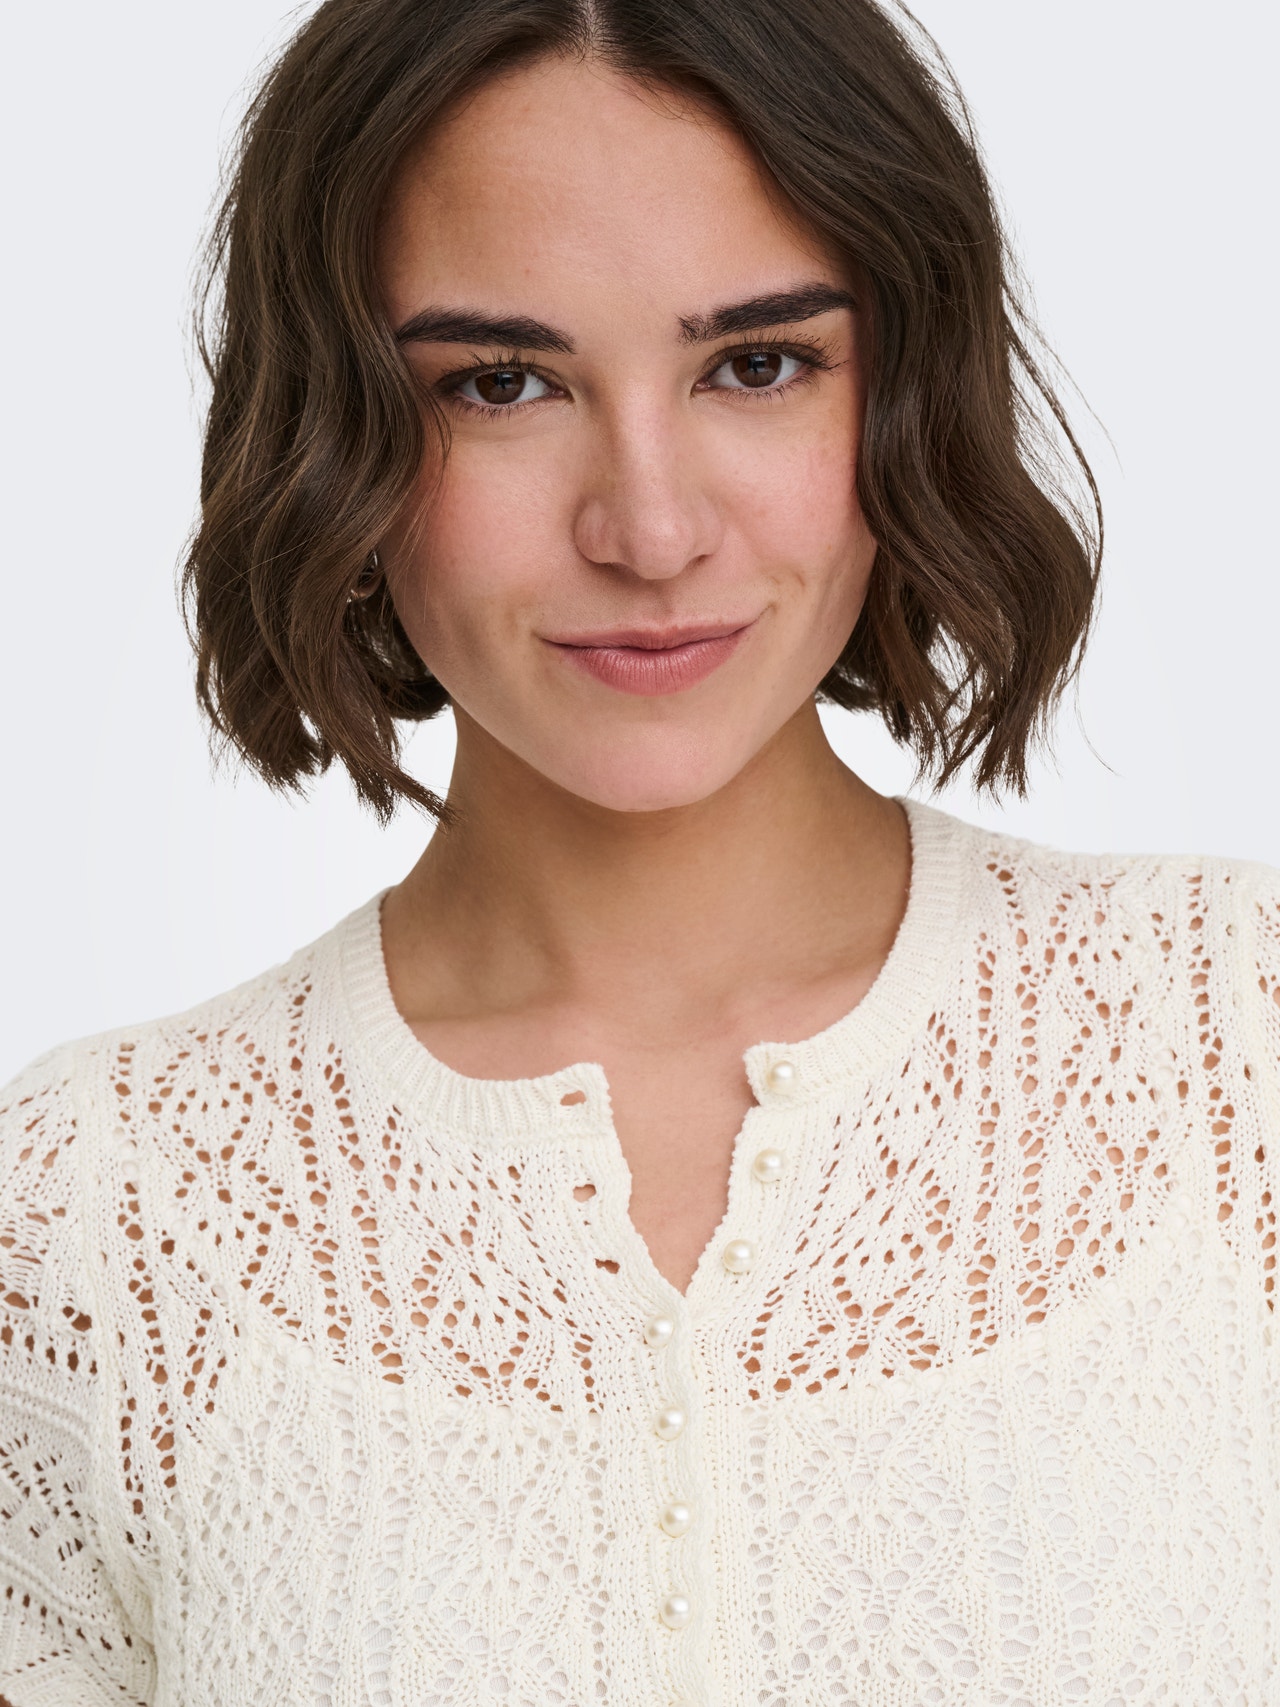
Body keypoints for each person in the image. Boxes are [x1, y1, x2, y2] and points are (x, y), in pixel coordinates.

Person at [1, 0, 1276, 1701]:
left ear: (904, 389)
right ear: (338, 439)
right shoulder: (90, 1216)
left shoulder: (1235, 1042)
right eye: (502, 385)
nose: (652, 529)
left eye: (757, 364)